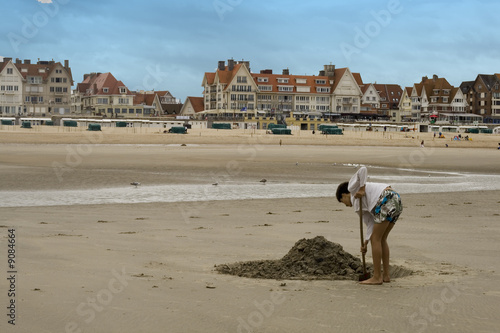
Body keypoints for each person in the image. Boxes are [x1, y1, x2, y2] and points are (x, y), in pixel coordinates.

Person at [336, 166, 403, 285]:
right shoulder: (358, 207)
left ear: (344, 195)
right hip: (395, 199)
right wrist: (365, 243)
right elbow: (371, 224)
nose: (346, 205)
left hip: (385, 198)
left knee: (376, 239)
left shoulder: (352, 188)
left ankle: (377, 277)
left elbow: (363, 169)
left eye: (343, 202)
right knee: (381, 238)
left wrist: (361, 188)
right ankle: (386, 276)